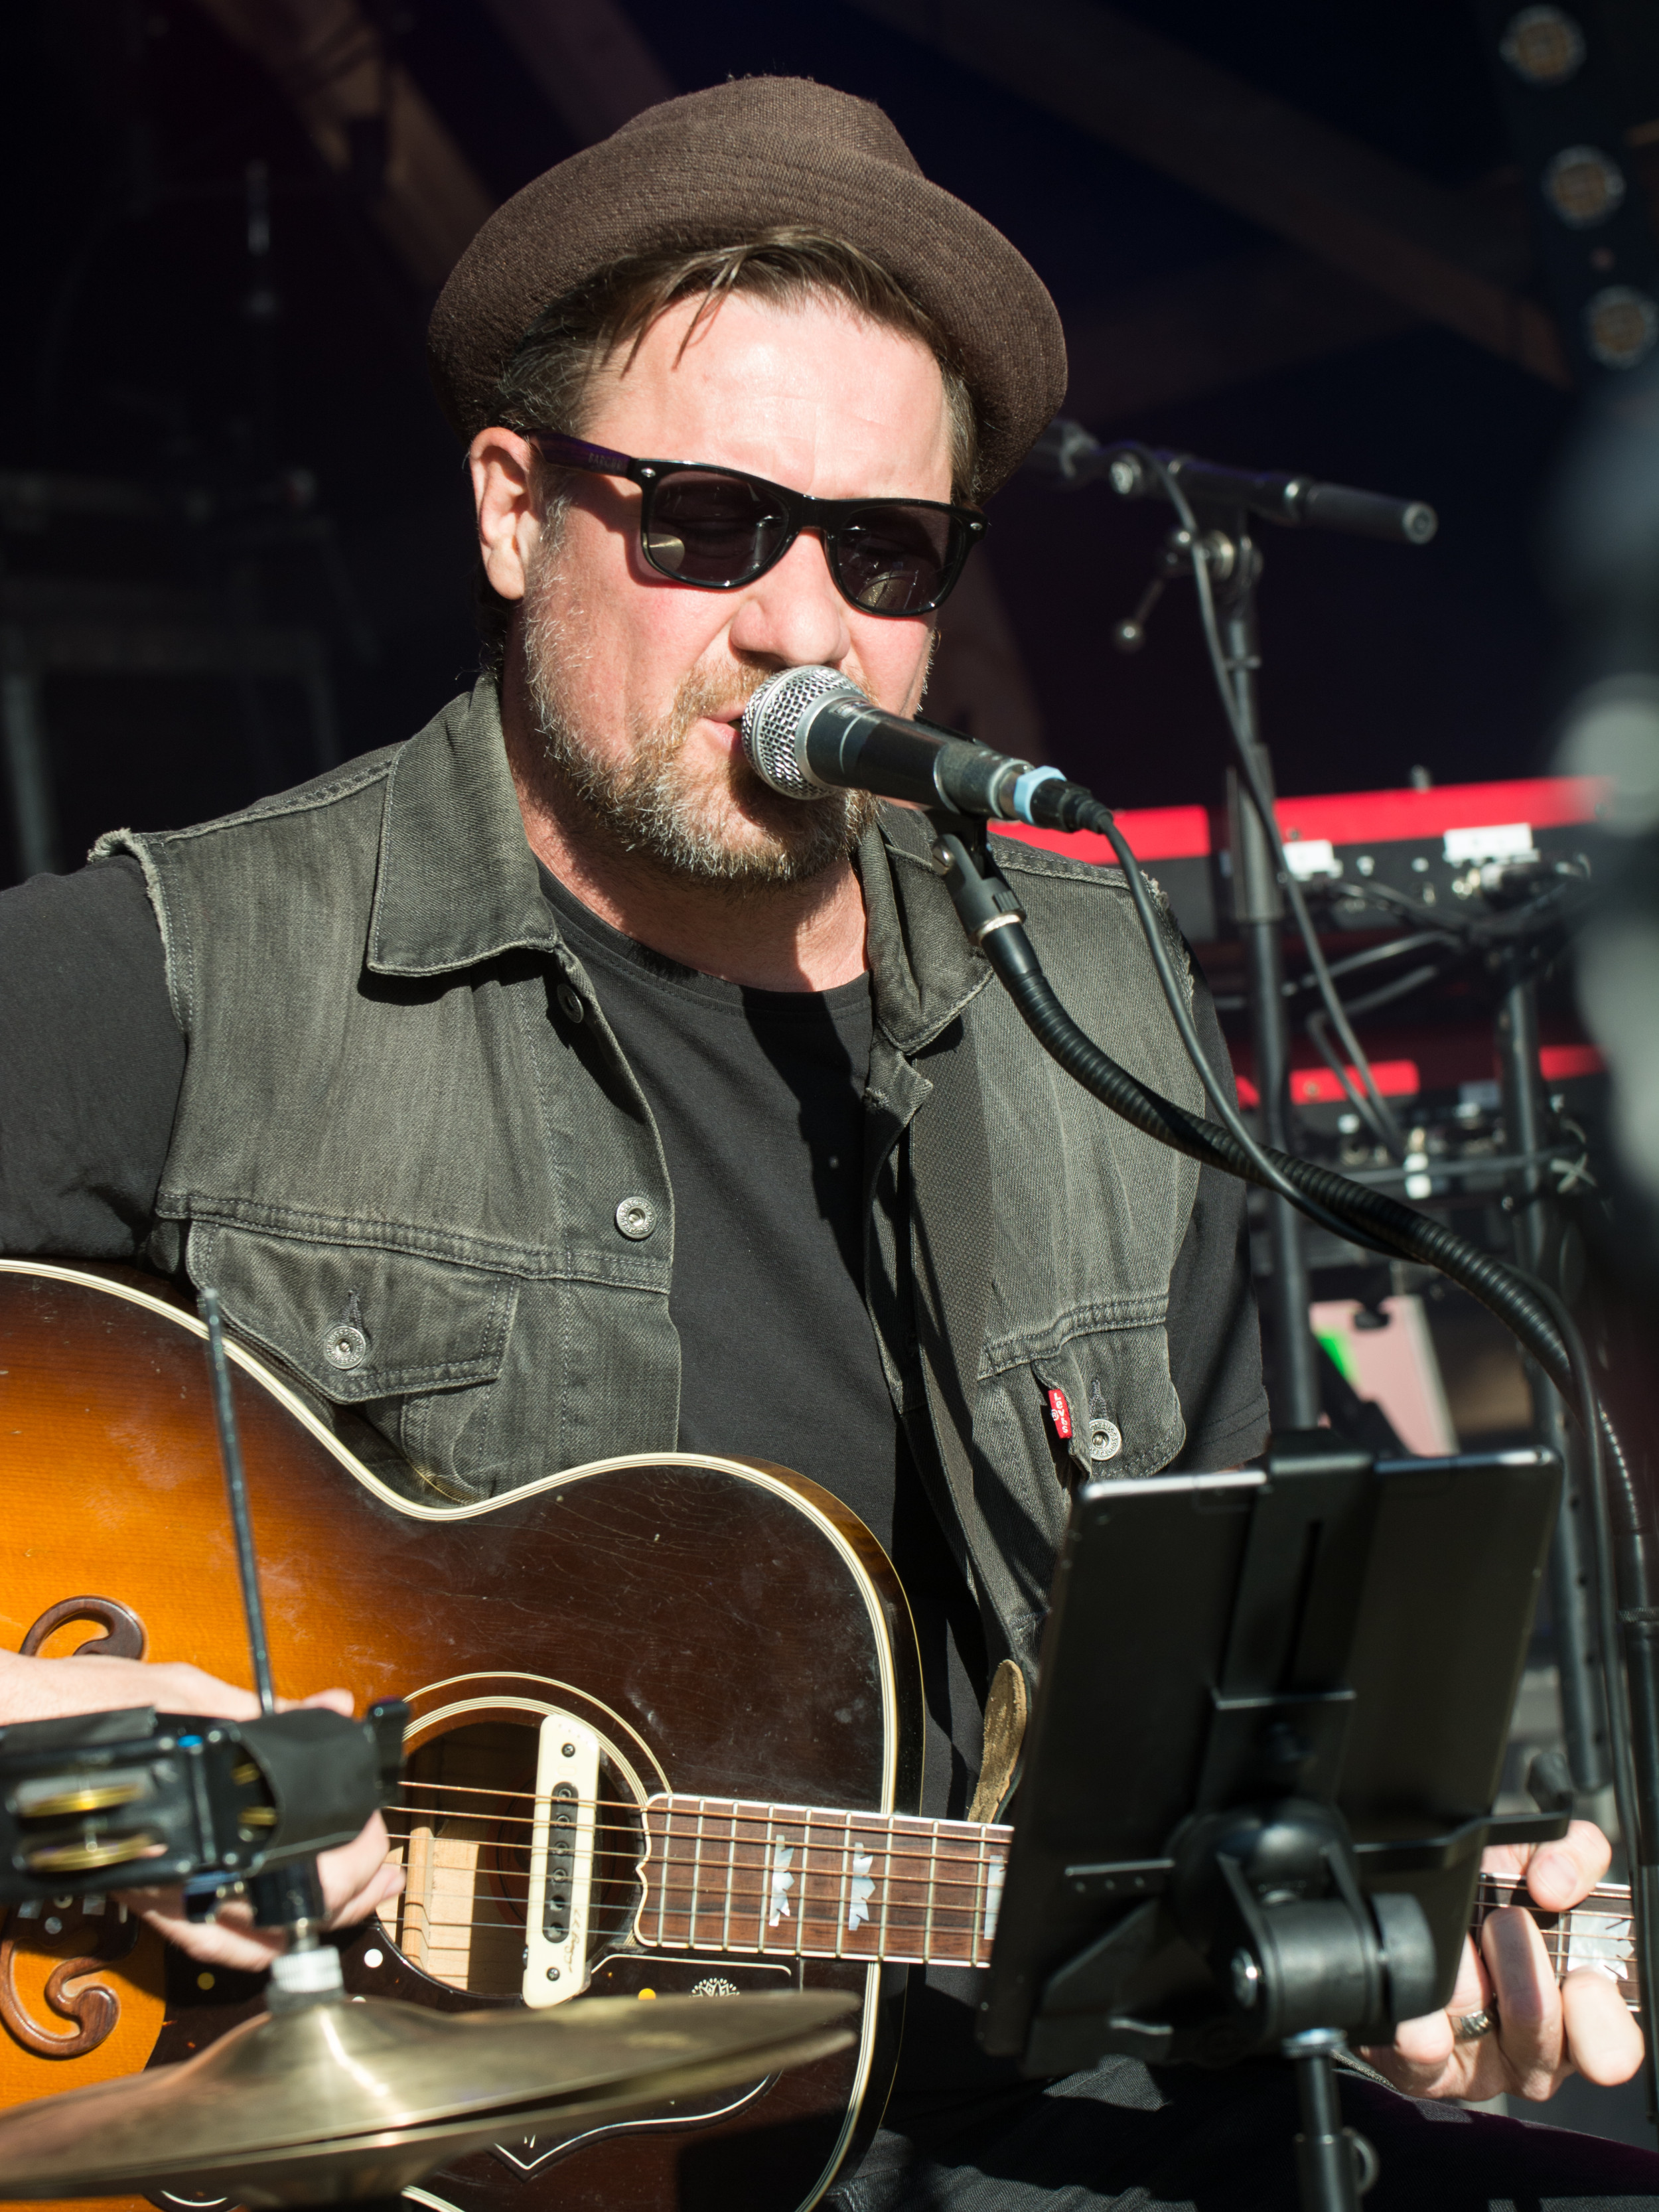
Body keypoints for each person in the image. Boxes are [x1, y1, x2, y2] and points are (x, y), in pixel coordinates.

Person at [0, 74, 1650, 2208]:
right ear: (510, 508)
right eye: (703, 521)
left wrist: (1409, 1917)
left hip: (1041, 2114)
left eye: (880, 551)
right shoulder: (185, 967)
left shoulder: (1081, 979)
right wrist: (76, 1744)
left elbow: (1230, 1713)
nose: (801, 626)